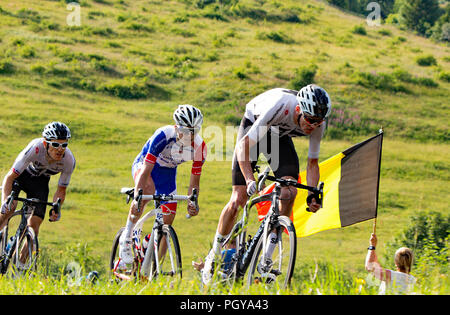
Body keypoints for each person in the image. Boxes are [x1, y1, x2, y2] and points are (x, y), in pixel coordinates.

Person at [201, 84, 332, 284]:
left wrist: (312, 194)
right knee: (239, 198)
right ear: (299, 110)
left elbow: (312, 162)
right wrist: (249, 179)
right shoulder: (280, 106)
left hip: (279, 137)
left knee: (289, 192)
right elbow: (244, 146)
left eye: (319, 122)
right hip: (255, 128)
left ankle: (266, 261)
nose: (313, 126)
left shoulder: (318, 123)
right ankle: (214, 254)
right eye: (311, 120)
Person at [119, 104, 207, 264]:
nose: (190, 136)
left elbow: (195, 181)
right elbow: (146, 168)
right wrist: (138, 193)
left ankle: (152, 270)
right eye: (186, 131)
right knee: (147, 190)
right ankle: (126, 237)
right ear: (176, 127)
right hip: (146, 165)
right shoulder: (164, 135)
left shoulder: (200, 147)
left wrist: (192, 201)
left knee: (168, 220)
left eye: (194, 131)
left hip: (167, 174)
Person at [1, 122, 75, 238]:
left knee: (34, 227)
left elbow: (61, 190)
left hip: (40, 183)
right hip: (21, 176)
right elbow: (10, 177)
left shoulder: (68, 160)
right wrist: (5, 200)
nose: (60, 149)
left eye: (64, 145)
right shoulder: (35, 148)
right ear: (45, 143)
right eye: (55, 144)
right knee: (9, 208)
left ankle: (24, 256)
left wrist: (57, 209)